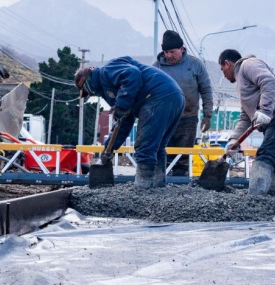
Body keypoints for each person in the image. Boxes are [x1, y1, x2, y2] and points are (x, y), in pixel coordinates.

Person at [75, 56, 184, 190]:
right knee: (157, 146)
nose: (91, 95)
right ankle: (158, 187)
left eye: (87, 92)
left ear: (86, 83)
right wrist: (110, 146)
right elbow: (124, 121)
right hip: (174, 96)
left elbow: (132, 74)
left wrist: (121, 105)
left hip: (157, 96)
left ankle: (143, 188)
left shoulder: (106, 72)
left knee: (145, 146)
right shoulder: (114, 88)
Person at [218, 49, 275, 196]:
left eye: (222, 69)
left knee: (264, 158)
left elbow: (269, 82)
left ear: (227, 63)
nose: (223, 75)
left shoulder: (248, 64)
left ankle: (255, 199)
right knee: (273, 161)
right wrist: (233, 141)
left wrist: (265, 111)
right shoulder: (241, 84)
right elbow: (246, 117)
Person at [152, 30, 214, 177]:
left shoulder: (195, 65)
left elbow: (206, 90)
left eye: (172, 52)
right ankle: (160, 185)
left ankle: (181, 186)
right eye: (166, 52)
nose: (168, 55)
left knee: (183, 157)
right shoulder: (156, 68)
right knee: (162, 154)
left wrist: (207, 115)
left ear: (181, 48)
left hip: (188, 119)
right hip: (164, 120)